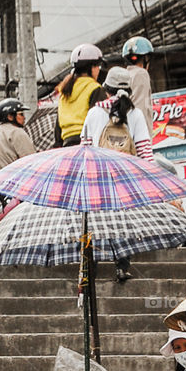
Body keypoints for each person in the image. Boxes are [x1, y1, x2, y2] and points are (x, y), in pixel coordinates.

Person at [81, 66, 154, 282]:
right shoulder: (136, 114)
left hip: (98, 179)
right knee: (123, 222)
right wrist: (148, 181)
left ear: (106, 90)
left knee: (94, 224)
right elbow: (144, 151)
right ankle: (122, 266)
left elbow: (84, 148)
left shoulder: (94, 113)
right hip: (126, 179)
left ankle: (90, 270)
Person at [55, 44, 106, 146]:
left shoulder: (65, 91)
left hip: (67, 144)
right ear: (91, 67)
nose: (99, 70)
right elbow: (98, 120)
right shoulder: (95, 88)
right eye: (97, 66)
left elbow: (58, 128)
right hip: (87, 141)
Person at [121, 36, 155, 136]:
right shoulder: (142, 74)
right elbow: (140, 108)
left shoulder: (123, 75)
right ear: (146, 58)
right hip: (139, 136)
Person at [0, 98, 36, 169]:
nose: (24, 117)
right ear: (10, 117)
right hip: (16, 176)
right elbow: (31, 161)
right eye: (21, 114)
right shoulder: (17, 132)